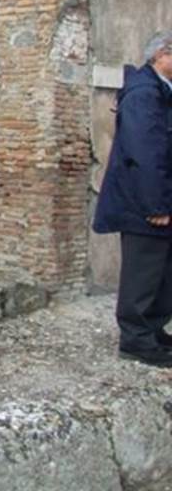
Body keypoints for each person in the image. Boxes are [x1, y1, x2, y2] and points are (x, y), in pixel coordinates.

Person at [94, 31, 172, 366]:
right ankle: (136, 339)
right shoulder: (143, 93)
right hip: (146, 205)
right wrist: (156, 205)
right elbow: (145, 152)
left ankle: (152, 330)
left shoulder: (160, 90)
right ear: (161, 55)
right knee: (143, 271)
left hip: (159, 199)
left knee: (162, 272)